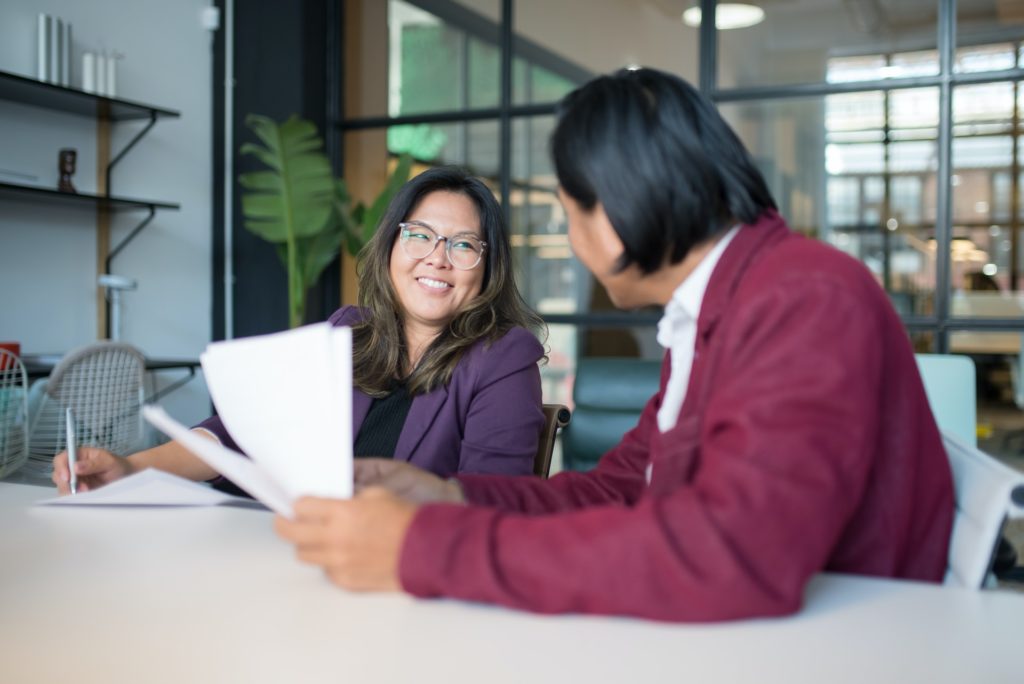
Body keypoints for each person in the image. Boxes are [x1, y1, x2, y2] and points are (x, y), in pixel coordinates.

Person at [273, 68, 955, 622]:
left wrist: (422, 548)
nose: (573, 241)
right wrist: (447, 497)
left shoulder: (803, 298)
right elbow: (618, 490)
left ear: (618, 216)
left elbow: (733, 559)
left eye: (570, 214)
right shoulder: (719, 309)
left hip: (839, 643)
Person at [52, 167, 547, 494]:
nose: (436, 257)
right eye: (419, 235)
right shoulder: (349, 333)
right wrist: (132, 470)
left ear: (487, 267)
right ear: (391, 246)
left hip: (403, 575)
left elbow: (491, 498)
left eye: (463, 245)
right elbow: (239, 433)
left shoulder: (503, 356)